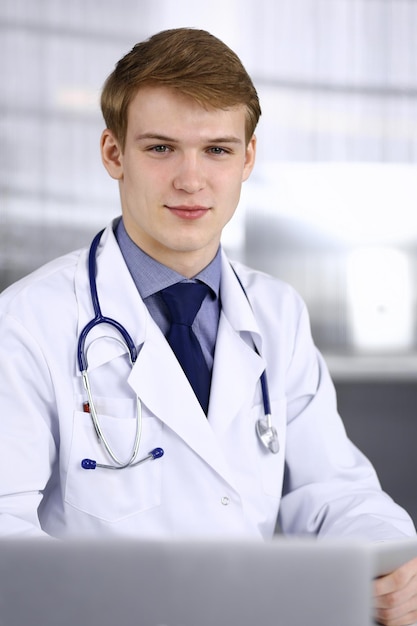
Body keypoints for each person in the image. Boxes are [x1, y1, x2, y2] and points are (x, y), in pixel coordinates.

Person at [0, 27, 417, 625]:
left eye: (217, 149)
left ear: (248, 158)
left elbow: (330, 490)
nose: (191, 181)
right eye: (161, 148)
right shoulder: (28, 323)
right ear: (113, 153)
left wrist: (391, 562)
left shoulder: (276, 313)